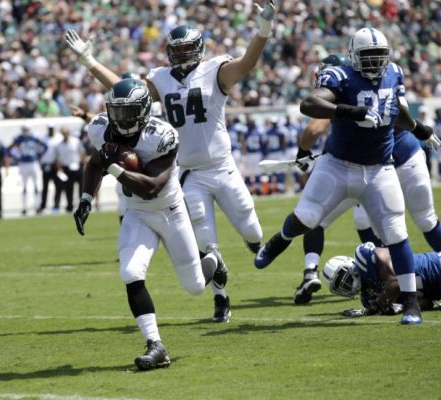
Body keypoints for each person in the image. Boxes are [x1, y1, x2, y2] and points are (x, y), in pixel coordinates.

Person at [65, 0, 275, 322]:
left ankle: (254, 247)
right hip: (188, 172)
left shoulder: (215, 70)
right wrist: (89, 61)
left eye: (187, 49)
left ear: (200, 48)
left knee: (250, 226)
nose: (181, 56)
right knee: (206, 240)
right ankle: (221, 297)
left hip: (223, 166)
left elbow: (247, 62)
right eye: (176, 50)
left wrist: (264, 28)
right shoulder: (161, 78)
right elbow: (126, 91)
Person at [254, 28, 441, 325]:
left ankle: (410, 303)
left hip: (380, 168)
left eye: (379, 56)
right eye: (368, 56)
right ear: (354, 55)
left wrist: (421, 131)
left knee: (397, 232)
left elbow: (398, 111)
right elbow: (309, 103)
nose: (374, 62)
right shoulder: (341, 76)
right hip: (338, 165)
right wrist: (351, 111)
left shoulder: (394, 73)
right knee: (307, 218)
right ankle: (279, 240)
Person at [72, 78, 227, 370]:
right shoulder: (101, 128)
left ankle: (213, 260)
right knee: (130, 271)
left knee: (194, 287)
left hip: (170, 210)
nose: (120, 119)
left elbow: (152, 186)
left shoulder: (161, 135)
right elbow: (94, 164)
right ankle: (156, 346)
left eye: (128, 111)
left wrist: (114, 167)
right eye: (116, 111)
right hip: (137, 212)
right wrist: (85, 201)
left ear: (143, 111)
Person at [323, 242, 441, 316]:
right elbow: (426, 304)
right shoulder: (367, 298)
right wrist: (398, 308)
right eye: (338, 284)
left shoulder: (365, 256)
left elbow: (394, 282)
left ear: (350, 264)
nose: (344, 283)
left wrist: (374, 308)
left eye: (342, 276)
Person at [8, 125, 47, 215]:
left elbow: (45, 146)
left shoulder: (33, 137)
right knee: (24, 186)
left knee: (36, 185)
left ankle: (37, 206)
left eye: (26, 130)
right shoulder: (18, 139)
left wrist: (39, 156)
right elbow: (9, 148)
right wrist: (16, 157)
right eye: (24, 130)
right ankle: (24, 207)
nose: (25, 132)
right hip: (23, 163)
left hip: (33, 162)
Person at [53, 127, 86, 212]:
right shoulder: (59, 145)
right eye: (63, 133)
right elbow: (57, 159)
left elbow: (82, 153)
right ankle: (70, 206)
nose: (65, 135)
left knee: (81, 188)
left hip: (77, 166)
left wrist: (82, 164)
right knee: (68, 188)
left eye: (66, 133)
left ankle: (82, 206)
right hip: (66, 168)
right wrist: (59, 169)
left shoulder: (76, 141)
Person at [38, 125, 61, 214]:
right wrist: (41, 163)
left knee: (57, 186)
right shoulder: (43, 138)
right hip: (46, 164)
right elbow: (39, 151)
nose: (51, 130)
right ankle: (43, 205)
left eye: (52, 129)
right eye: (49, 129)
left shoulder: (58, 138)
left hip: (55, 165)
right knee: (45, 186)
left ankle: (56, 204)